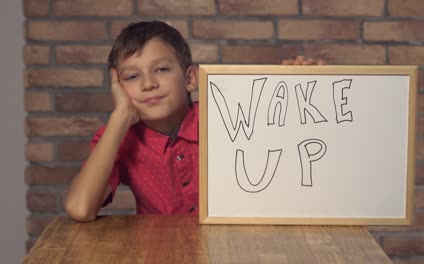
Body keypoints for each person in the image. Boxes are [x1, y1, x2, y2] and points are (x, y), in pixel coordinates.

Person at [64, 20, 324, 222]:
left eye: (161, 69)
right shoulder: (117, 138)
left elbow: (292, 146)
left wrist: (307, 87)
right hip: (162, 253)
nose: (148, 84)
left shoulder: (229, 118)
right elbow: (80, 208)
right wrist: (120, 117)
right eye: (131, 77)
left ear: (189, 79)